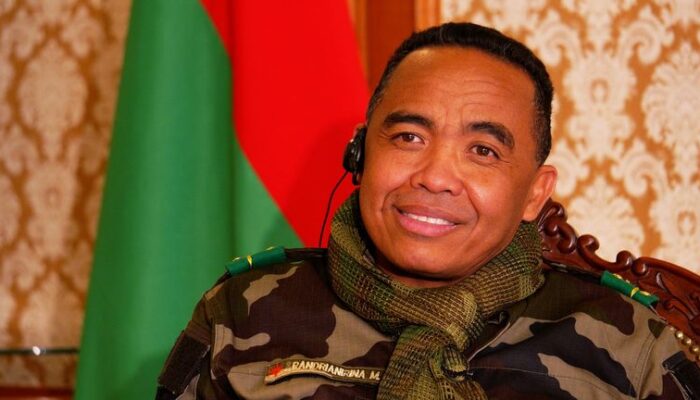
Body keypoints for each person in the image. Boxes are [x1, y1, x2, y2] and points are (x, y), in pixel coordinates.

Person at [156, 22, 699, 399]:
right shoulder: (244, 311)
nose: (435, 177)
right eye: (409, 137)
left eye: (483, 150)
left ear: (536, 194)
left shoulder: (626, 339)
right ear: (360, 155)